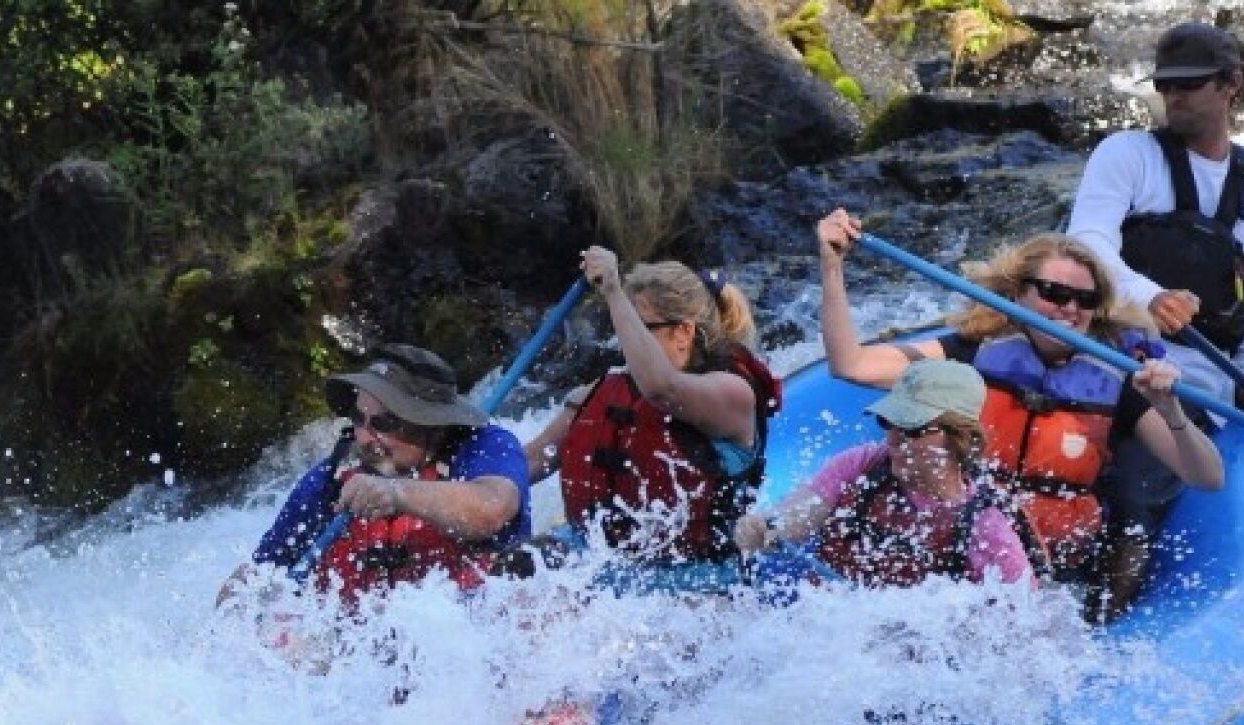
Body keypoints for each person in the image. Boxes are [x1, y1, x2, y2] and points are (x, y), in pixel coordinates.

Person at [813, 208, 1224, 621]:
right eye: (1054, 293)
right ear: (1016, 295)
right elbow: (852, 365)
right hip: (969, 553)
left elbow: (1207, 476)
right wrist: (832, 267)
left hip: (1058, 578)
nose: (1070, 309)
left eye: (1085, 299)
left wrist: (1171, 411)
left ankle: (1104, 620)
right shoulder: (973, 353)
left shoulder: (1117, 381)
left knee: (1132, 524)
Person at [1065, 20, 1244, 598]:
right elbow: (1086, 242)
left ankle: (1110, 611)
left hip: (1186, 380)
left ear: (1231, 84)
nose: (1173, 98)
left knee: (1137, 491)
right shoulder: (1127, 154)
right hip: (1102, 351)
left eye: (1189, 85)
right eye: (1166, 85)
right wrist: (1149, 298)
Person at [519, 246, 781, 592]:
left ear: (683, 333)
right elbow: (533, 461)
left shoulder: (732, 394)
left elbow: (662, 389)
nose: (625, 340)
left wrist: (613, 290)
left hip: (693, 578)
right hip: (594, 559)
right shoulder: (607, 391)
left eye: (640, 327)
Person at [230, 343, 529, 605]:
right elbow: (259, 572)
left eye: (384, 424)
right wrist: (244, 609)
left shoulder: (485, 447)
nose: (365, 438)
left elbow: (492, 508)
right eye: (359, 419)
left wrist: (396, 493)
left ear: (435, 429)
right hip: (358, 649)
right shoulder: (333, 478)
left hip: (461, 637)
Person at [732, 359, 1033, 589]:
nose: (894, 438)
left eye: (912, 428)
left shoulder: (987, 530)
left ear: (960, 439)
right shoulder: (863, 464)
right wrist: (767, 527)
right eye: (889, 421)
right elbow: (799, 514)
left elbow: (1028, 626)